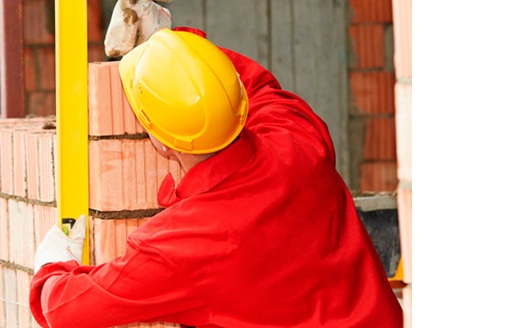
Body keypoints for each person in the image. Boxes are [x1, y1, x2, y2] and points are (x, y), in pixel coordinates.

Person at [29, 27, 403, 327]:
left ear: (160, 142)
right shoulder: (298, 141)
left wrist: (51, 265)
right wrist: (174, 45)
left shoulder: (181, 245)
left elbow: (65, 309)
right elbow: (253, 85)